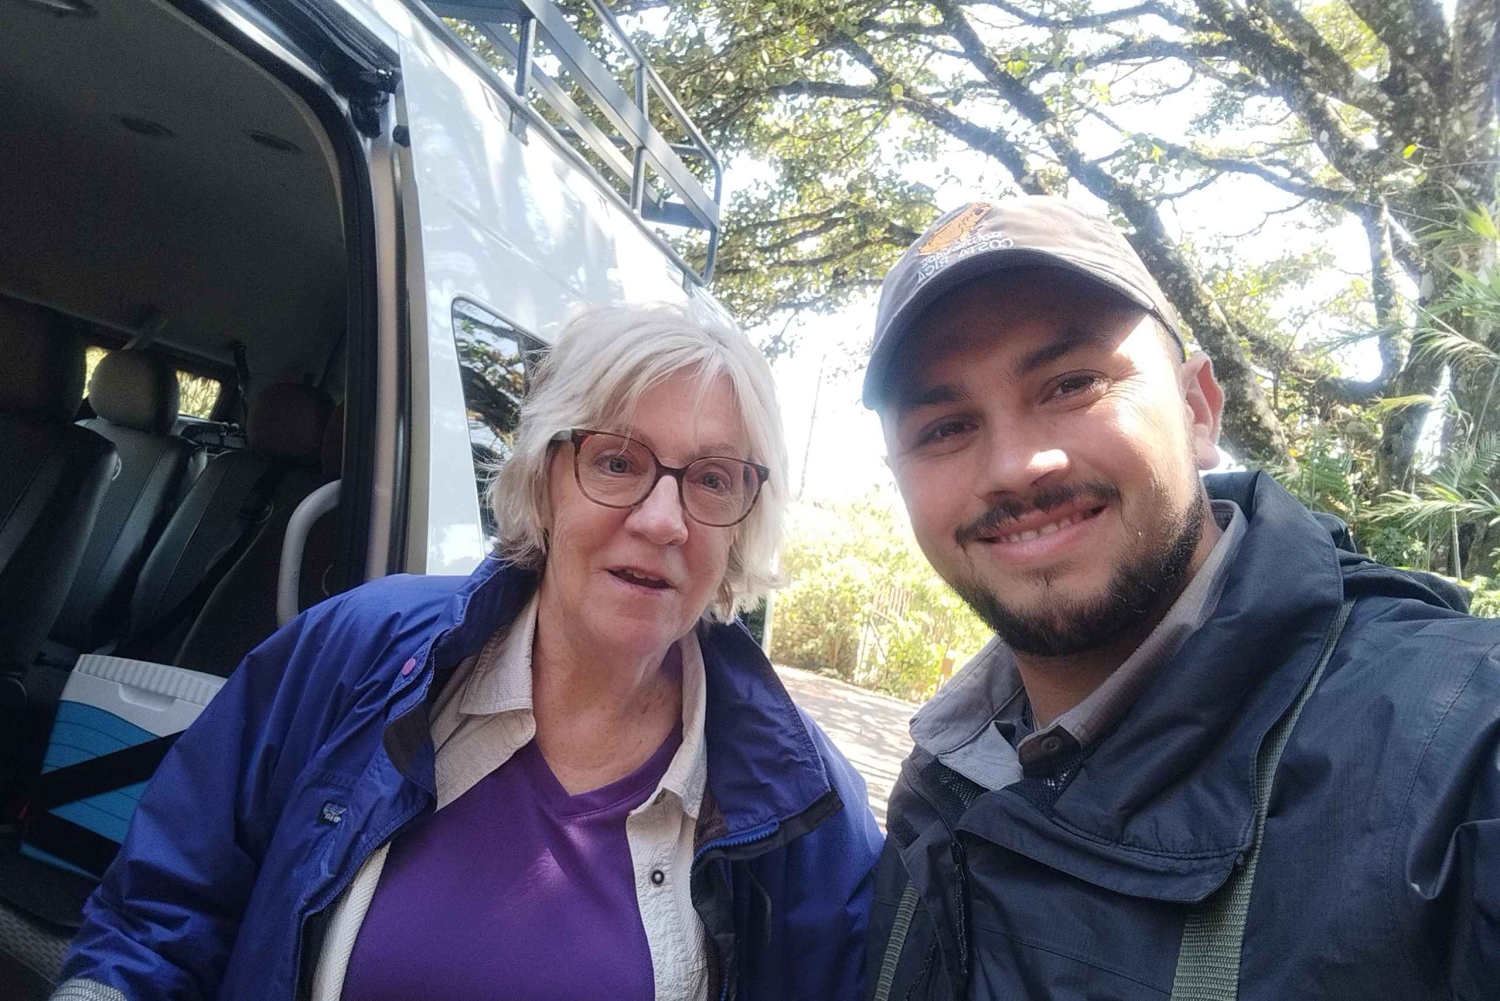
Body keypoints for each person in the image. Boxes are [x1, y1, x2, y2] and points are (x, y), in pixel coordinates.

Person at [55, 302, 883, 1001]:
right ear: (546, 479)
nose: (663, 519)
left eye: (712, 479)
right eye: (617, 460)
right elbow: (160, 914)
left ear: (745, 519)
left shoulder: (804, 808)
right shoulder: (358, 650)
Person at [859, 196, 1500, 1000]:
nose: (1016, 465)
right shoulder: (936, 789)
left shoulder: (1460, 758)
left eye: (1072, 384)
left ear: (1197, 410)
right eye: (945, 427)